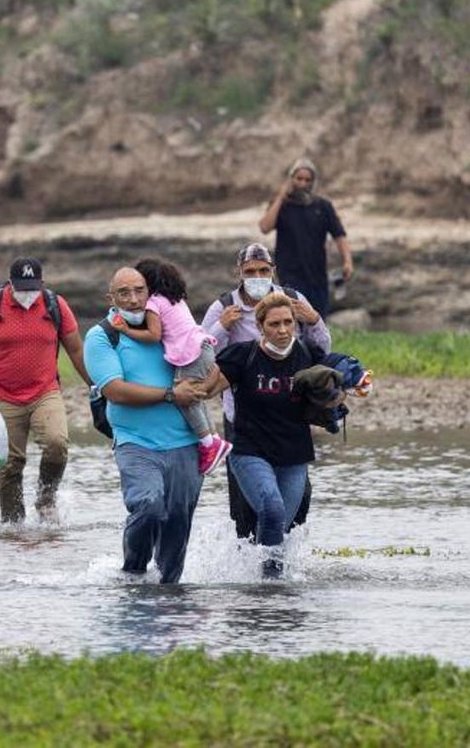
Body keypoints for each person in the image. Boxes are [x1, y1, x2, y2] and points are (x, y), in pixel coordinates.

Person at [82, 266, 209, 584]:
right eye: (124, 293)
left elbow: (208, 370)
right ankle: (133, 573)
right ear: (110, 297)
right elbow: (115, 391)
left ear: (150, 294)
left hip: (185, 444)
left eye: (140, 291)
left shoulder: (170, 329)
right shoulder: (102, 336)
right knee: (149, 504)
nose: (134, 299)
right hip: (135, 441)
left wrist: (204, 387)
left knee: (178, 524)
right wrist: (171, 394)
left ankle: (169, 592)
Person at [201, 243, 331, 539]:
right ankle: (249, 562)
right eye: (250, 272)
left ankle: (278, 563)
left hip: (289, 414)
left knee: (294, 504)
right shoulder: (224, 307)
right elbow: (199, 355)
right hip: (243, 413)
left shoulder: (293, 301)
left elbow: (320, 352)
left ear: (273, 270)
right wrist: (221, 328)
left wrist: (312, 319)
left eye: (263, 270)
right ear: (240, 273)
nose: (257, 276)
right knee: (250, 504)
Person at [203, 291, 338, 578]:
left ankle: (259, 581)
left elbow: (339, 378)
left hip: (294, 454)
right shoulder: (243, 355)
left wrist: (352, 387)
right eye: (274, 324)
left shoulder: (306, 355)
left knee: (281, 530)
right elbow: (205, 390)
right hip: (249, 450)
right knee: (273, 509)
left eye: (288, 323)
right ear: (260, 326)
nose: (283, 330)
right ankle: (269, 587)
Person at [0, 256, 90, 525]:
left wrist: (94, 385)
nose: (27, 294)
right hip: (2, 395)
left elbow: (75, 349)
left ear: (41, 284)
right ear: (11, 284)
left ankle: (46, 498)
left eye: (32, 288)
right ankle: (12, 525)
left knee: (57, 445)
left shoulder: (54, 305)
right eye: (22, 288)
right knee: (11, 463)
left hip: (45, 392)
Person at [111, 257, 231, 476]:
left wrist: (126, 331)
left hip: (192, 353)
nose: (136, 296)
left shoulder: (154, 303)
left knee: (185, 398)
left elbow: (154, 334)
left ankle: (207, 444)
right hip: (202, 348)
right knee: (194, 395)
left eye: (140, 287)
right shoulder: (174, 299)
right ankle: (213, 439)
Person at [258, 157, 353, 318]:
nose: (303, 184)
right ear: (291, 179)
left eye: (307, 180)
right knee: (292, 321)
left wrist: (347, 261)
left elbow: (339, 235)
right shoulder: (282, 205)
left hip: (317, 275)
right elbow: (265, 227)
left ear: (313, 182)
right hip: (289, 275)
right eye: (299, 179)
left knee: (317, 320)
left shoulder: (323, 206)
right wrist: (280, 197)